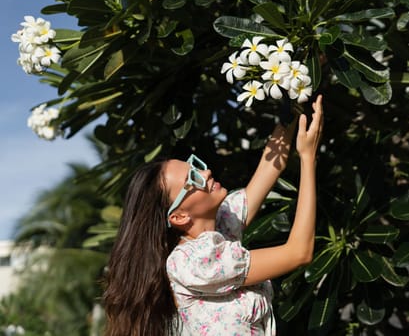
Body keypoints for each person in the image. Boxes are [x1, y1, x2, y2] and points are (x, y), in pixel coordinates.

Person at [103, 95, 324, 335]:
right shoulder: (191, 261)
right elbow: (299, 253)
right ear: (179, 217)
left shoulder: (223, 222)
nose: (206, 172)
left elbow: (271, 165)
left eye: (195, 167)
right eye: (193, 179)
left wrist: (294, 99)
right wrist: (308, 157)